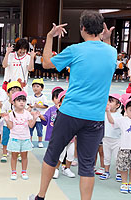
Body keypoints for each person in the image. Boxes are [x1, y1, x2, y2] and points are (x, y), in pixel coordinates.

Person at [29, 10, 116, 200]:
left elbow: (45, 63)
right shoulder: (112, 52)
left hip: (70, 113)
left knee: (52, 154)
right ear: (101, 29)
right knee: (86, 165)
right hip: (94, 117)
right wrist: (106, 39)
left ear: (83, 28)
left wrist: (50, 37)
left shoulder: (76, 50)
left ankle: (41, 196)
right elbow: (106, 56)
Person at [4, 91, 38, 180]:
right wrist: (7, 120)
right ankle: (14, 172)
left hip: (25, 138)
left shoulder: (27, 113)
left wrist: (34, 118)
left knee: (24, 156)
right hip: (14, 138)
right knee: (14, 156)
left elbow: (31, 125)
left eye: (23, 100)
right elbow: (10, 127)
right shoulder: (11, 114)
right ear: (13, 102)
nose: (22, 102)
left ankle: (24, 171)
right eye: (19, 100)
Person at [106, 96, 131, 193]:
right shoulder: (122, 120)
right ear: (125, 109)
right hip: (125, 148)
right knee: (123, 168)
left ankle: (130, 183)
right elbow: (112, 121)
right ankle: (124, 183)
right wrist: (108, 112)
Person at [52, 90, 76, 179]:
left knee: (70, 155)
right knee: (61, 155)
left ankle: (67, 168)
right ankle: (56, 169)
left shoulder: (73, 110)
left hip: (72, 138)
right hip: (62, 138)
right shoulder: (58, 111)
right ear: (60, 102)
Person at [99, 94, 122, 181]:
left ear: (117, 105)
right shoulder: (103, 113)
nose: (108, 103)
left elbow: (114, 123)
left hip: (117, 139)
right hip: (106, 138)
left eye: (111, 102)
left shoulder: (120, 115)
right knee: (107, 156)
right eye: (108, 101)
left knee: (117, 157)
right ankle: (106, 171)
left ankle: (119, 172)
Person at [0, 81, 22, 162]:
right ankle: (4, 154)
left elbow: (25, 111)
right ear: (8, 93)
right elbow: (2, 113)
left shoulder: (20, 103)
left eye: (17, 90)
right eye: (12, 90)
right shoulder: (6, 103)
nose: (14, 92)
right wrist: (7, 114)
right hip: (7, 125)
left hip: (18, 126)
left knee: (18, 140)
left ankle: (18, 154)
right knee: (5, 139)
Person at [27, 78, 48, 148]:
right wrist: (30, 108)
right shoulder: (30, 97)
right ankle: (30, 141)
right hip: (32, 118)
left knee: (39, 131)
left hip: (39, 118)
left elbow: (45, 106)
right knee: (30, 130)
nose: (35, 88)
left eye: (37, 86)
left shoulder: (43, 97)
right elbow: (29, 106)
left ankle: (40, 141)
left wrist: (38, 106)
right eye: (34, 86)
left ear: (42, 88)